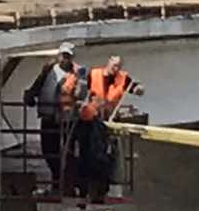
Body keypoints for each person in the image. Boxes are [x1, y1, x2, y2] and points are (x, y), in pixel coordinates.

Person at [77, 55, 143, 201]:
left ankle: (101, 192)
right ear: (108, 63)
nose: (116, 69)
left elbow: (135, 87)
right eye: (114, 65)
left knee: (104, 158)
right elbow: (81, 92)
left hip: (107, 123)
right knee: (86, 156)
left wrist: (139, 89)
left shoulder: (122, 78)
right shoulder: (94, 74)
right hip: (89, 121)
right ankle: (84, 191)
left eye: (118, 66)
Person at [23, 42, 87, 191]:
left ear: (72, 58)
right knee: (49, 151)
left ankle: (68, 185)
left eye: (68, 56)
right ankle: (57, 179)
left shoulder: (79, 73)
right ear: (59, 55)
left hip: (68, 119)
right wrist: (30, 97)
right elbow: (37, 86)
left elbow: (82, 94)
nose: (65, 59)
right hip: (49, 117)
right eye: (63, 55)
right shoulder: (48, 70)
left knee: (69, 153)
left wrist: (77, 92)